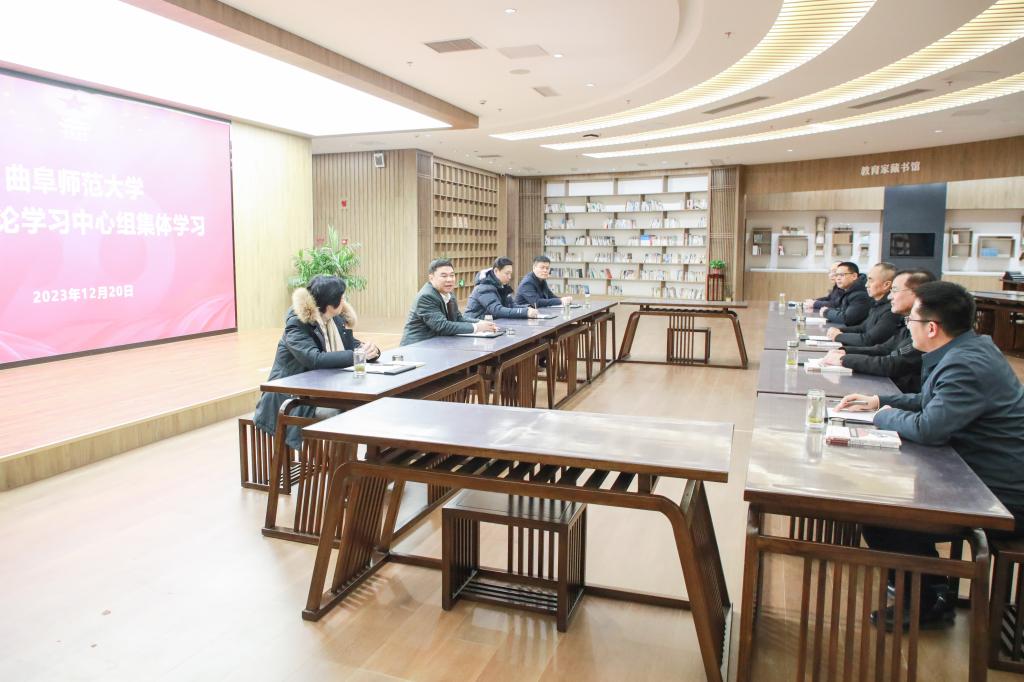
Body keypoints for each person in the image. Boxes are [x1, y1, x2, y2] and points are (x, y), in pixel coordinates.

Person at [837, 281, 1024, 628]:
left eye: (912, 320)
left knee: (883, 516)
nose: (908, 326)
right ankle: (930, 587)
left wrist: (882, 416)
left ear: (933, 328)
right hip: (978, 472)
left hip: (999, 493)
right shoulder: (969, 348)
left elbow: (929, 428)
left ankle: (926, 602)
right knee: (885, 503)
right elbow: (932, 400)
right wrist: (880, 401)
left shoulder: (964, 364)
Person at [253, 275, 380, 450]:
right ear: (330, 304)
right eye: (342, 297)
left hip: (320, 390)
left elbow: (352, 345)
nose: (344, 301)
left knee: (364, 406)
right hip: (291, 396)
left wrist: (372, 351)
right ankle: (338, 465)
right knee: (340, 413)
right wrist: (358, 355)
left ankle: (358, 461)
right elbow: (314, 359)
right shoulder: (297, 322)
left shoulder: (334, 319)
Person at [821, 270, 934, 392]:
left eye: (895, 290)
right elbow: (884, 349)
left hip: (901, 391)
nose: (890, 296)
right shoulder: (905, 320)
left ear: (917, 294)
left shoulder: (924, 328)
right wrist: (844, 351)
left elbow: (892, 363)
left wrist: (844, 359)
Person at [400, 258, 498, 346]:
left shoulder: (449, 294)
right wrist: (477, 327)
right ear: (431, 278)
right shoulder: (426, 297)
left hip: (437, 343)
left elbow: (458, 318)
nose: (449, 279)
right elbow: (442, 326)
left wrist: (481, 322)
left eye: (452, 275)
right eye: (444, 276)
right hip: (417, 346)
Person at [825, 262, 898, 346]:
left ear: (886, 285)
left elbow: (869, 340)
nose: (866, 285)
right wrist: (839, 330)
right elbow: (863, 328)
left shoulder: (891, 310)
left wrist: (838, 336)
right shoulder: (877, 304)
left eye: (871, 280)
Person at [465, 257, 540, 320]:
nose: (509, 277)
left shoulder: (502, 286)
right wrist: (524, 312)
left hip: (491, 323)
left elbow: (511, 306)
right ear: (496, 271)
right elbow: (497, 310)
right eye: (507, 273)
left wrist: (528, 308)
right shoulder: (484, 287)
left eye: (510, 274)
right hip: (475, 324)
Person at [819, 261, 870, 326]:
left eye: (842, 275)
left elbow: (848, 319)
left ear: (854, 276)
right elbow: (842, 310)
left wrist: (826, 312)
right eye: (836, 275)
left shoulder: (860, 294)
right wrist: (829, 310)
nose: (838, 278)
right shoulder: (849, 290)